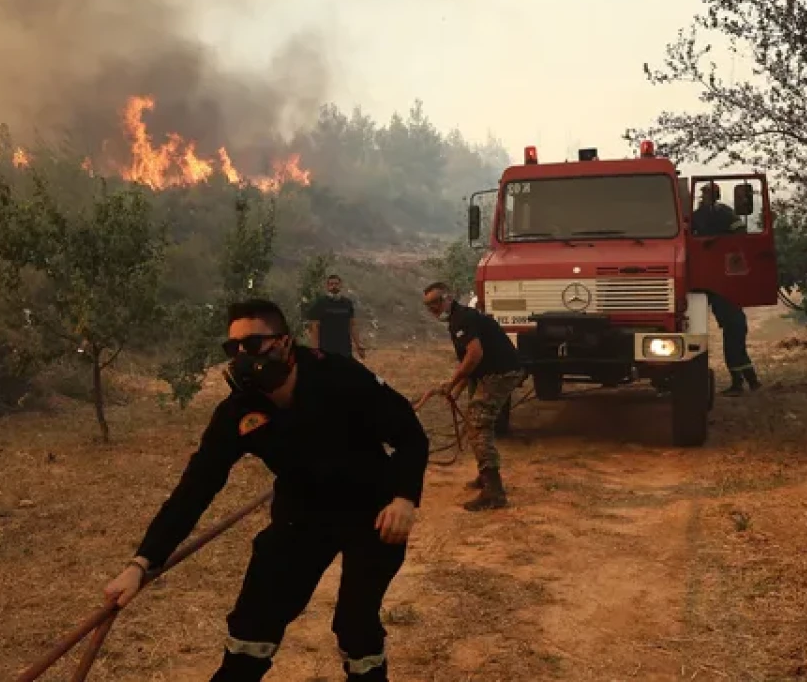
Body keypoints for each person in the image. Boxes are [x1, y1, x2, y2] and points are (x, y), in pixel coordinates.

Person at [103, 298, 429, 682]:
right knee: (255, 617)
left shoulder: (340, 376)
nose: (243, 356)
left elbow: (411, 435)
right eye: (234, 348)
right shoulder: (239, 411)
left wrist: (404, 499)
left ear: (285, 342)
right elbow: (195, 487)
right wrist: (141, 563)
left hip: (373, 510)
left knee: (355, 623)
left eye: (253, 344)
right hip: (302, 514)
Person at [420, 282, 523, 511]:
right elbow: (468, 362)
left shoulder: (462, 319)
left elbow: (474, 355)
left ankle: (494, 492)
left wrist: (452, 383)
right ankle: (486, 476)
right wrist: (454, 391)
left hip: (500, 372)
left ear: (448, 298)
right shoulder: (457, 319)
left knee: (478, 424)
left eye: (436, 301)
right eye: (428, 304)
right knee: (476, 422)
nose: (432, 308)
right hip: (488, 372)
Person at [691, 183, 763, 396]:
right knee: (737, 348)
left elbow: (739, 232)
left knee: (733, 349)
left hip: (727, 308)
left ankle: (740, 384)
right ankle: (752, 382)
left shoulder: (720, 213)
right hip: (727, 306)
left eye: (706, 194)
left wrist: (717, 243)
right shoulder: (709, 214)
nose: (703, 197)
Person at [305, 274, 367, 360]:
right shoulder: (320, 303)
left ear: (340, 285)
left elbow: (352, 325)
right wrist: (315, 349)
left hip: (345, 349)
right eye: (331, 284)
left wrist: (358, 345)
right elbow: (314, 328)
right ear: (327, 286)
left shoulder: (347, 303)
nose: (334, 286)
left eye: (336, 284)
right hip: (326, 349)